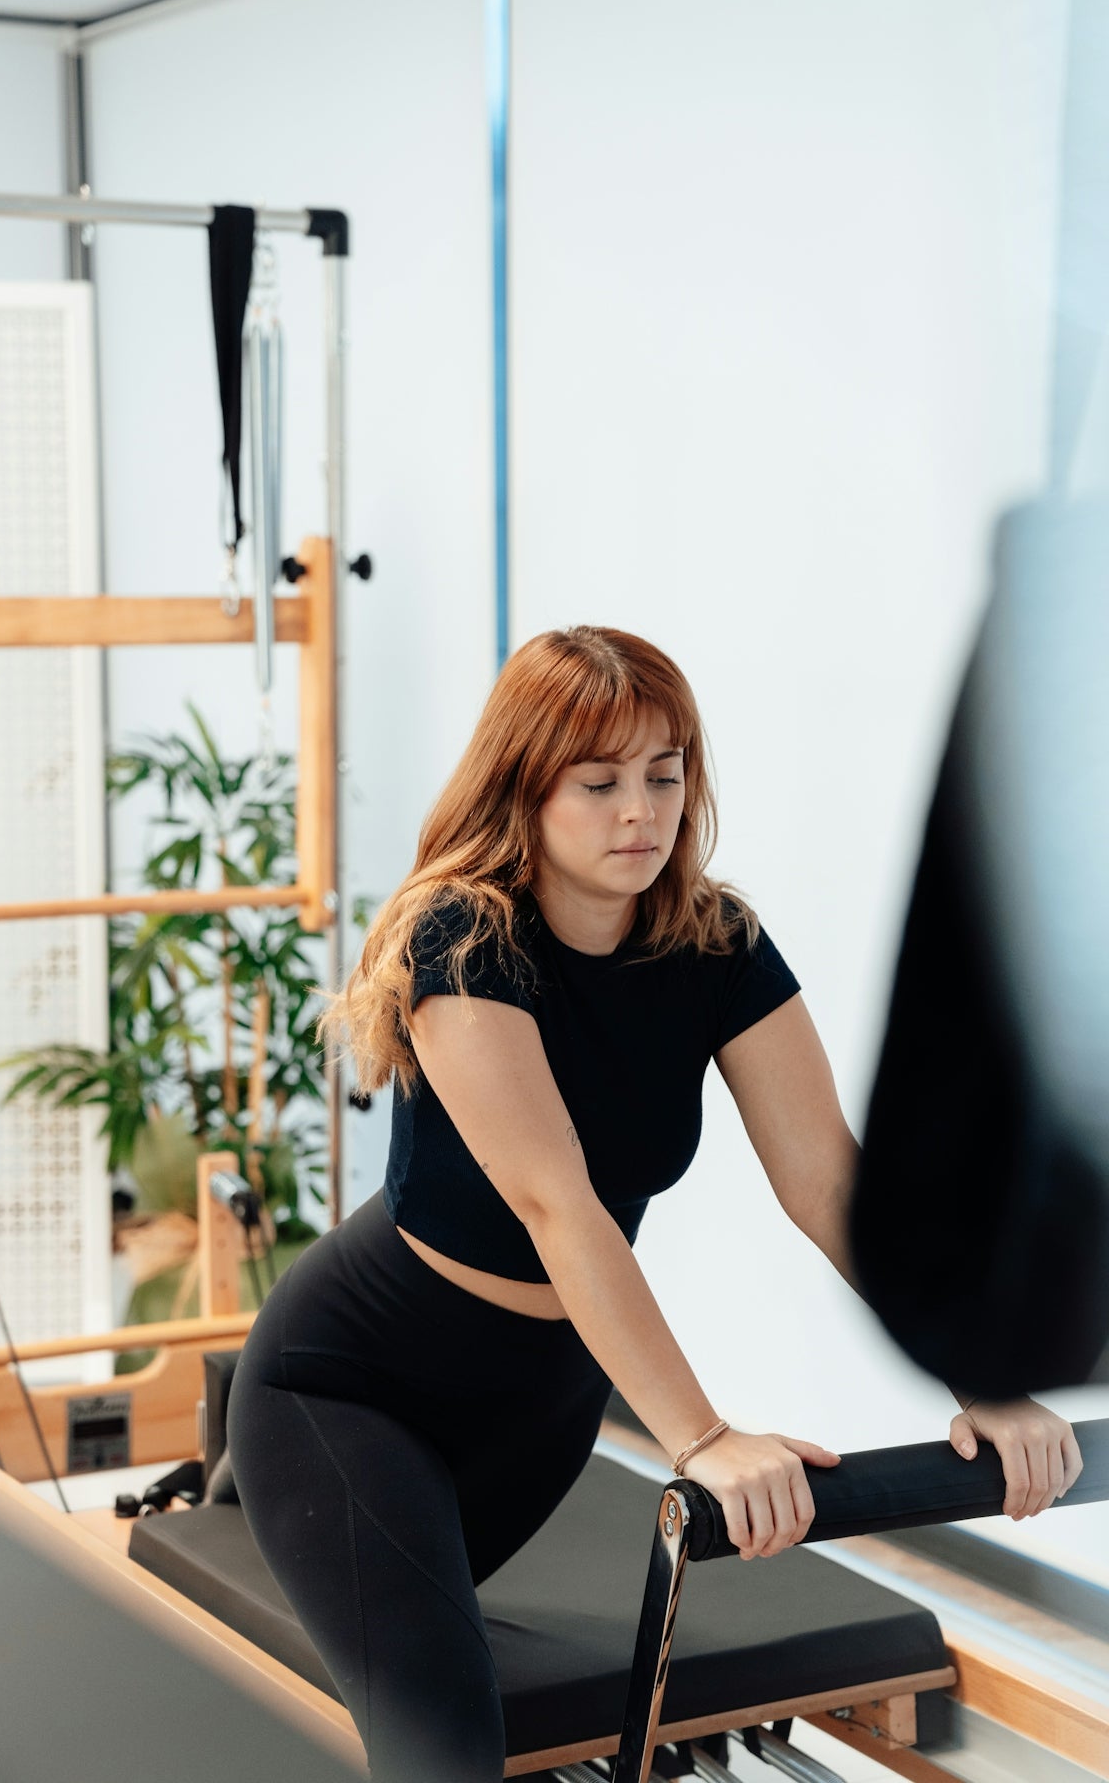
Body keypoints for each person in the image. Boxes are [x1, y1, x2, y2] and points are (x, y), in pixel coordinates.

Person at [226, 626, 1083, 1783]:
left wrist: (986, 1376)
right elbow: (558, 1208)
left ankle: (237, 1486)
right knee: (445, 1745)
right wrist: (706, 1438)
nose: (641, 811)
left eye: (664, 775)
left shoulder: (713, 941)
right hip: (355, 1385)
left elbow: (831, 1183)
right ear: (525, 789)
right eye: (599, 782)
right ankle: (242, 1444)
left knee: (428, 1613)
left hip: (539, 1411)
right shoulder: (464, 944)